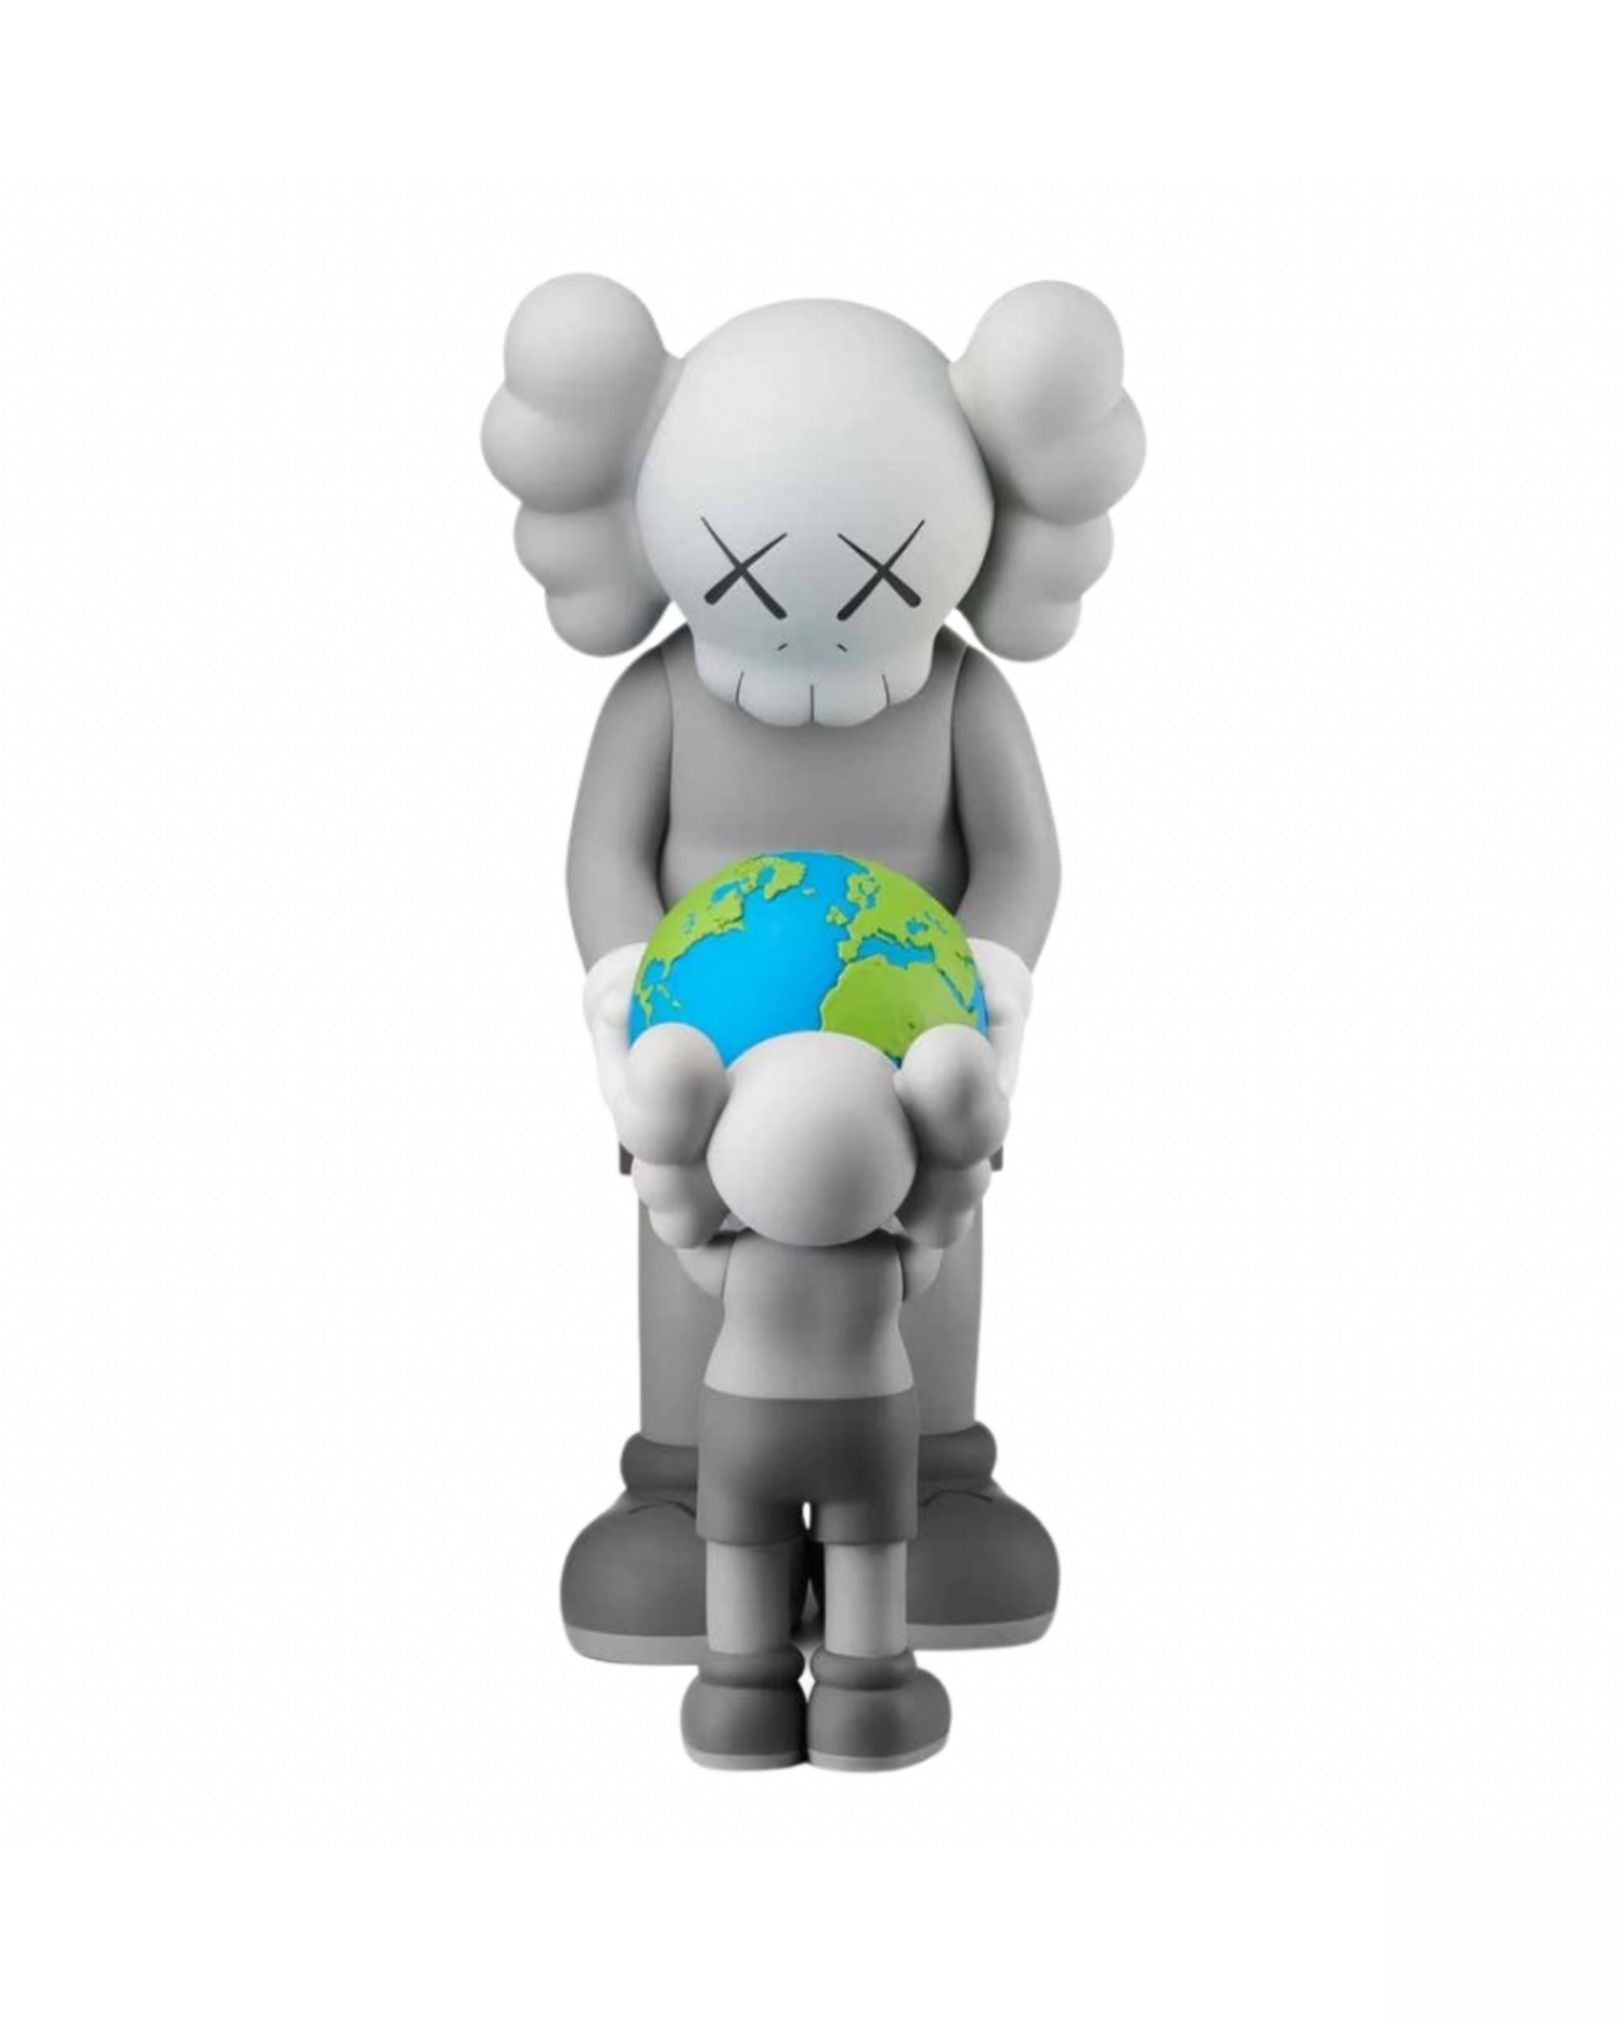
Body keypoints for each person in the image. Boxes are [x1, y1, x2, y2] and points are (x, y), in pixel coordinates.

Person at [482, 274, 1145, 1658]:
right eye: (740, 574)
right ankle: (681, 1483)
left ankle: (936, 1473)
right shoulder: (659, 699)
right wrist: (623, 991)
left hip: (924, 1077)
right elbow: (602, 857)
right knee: (689, 1258)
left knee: (928, 1256)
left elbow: (1023, 857)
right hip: (696, 1078)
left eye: (883, 576)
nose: (809, 609)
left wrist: (993, 981)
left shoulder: (963, 697)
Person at [616, 1019, 1008, 1769]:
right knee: (866, 1554)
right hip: (869, 1433)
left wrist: (673, 1152)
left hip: (743, 1433)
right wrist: (949, 1152)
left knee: (742, 1552)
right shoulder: (891, 1262)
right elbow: (934, 1239)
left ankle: (738, 1695)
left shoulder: (733, 1260)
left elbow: (683, 1235)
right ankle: (866, 1694)